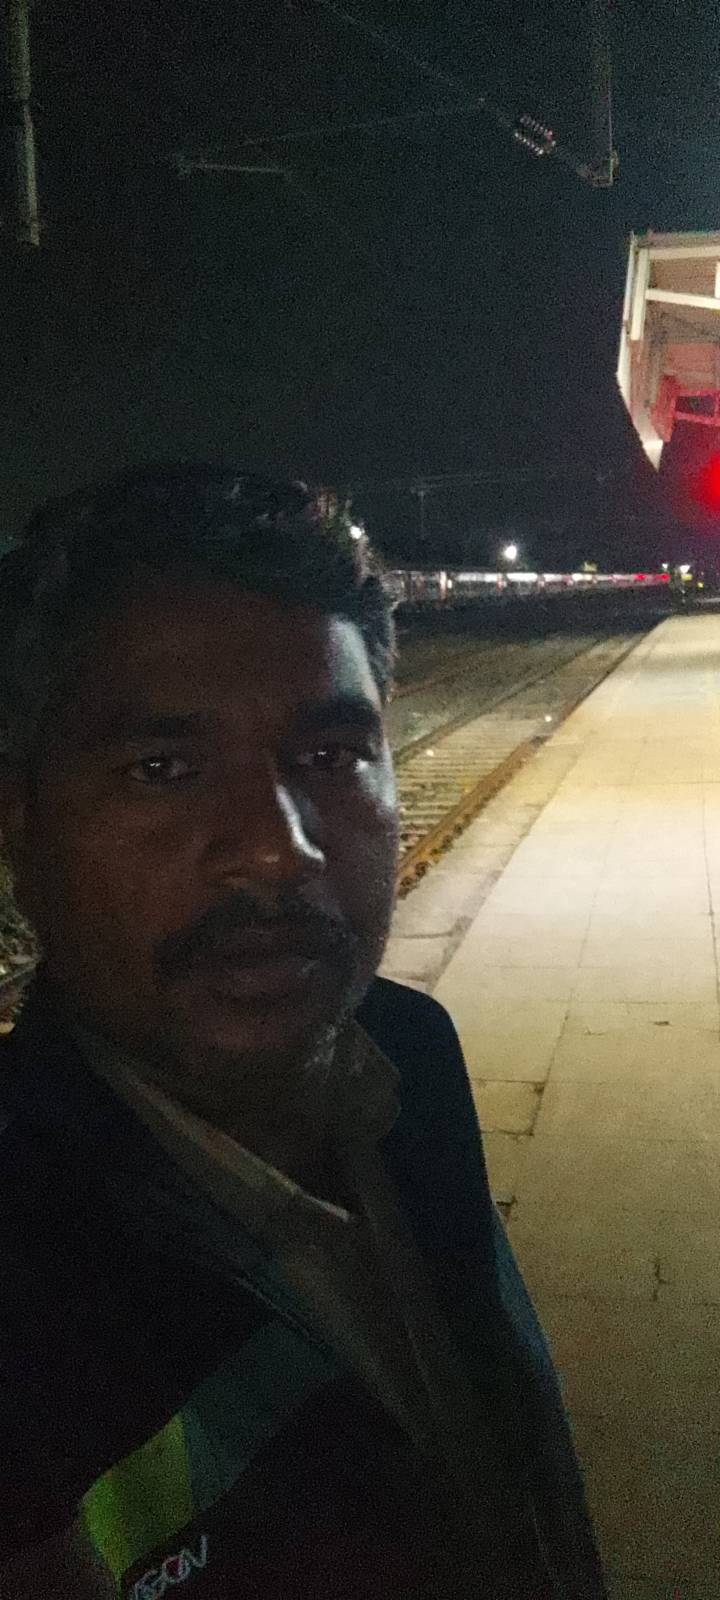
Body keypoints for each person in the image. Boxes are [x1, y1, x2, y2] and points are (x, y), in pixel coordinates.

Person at [0, 467, 607, 1599]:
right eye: (163, 770)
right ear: (21, 834)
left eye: (330, 758)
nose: (277, 851)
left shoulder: (409, 1055)